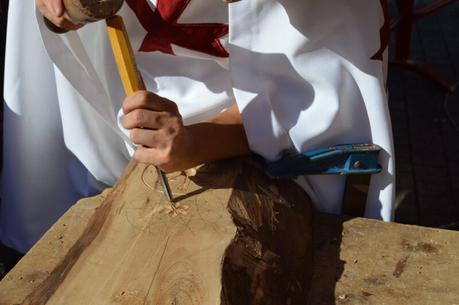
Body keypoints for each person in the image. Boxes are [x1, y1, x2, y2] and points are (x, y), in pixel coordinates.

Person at [1, 0, 395, 254]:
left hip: (249, 146)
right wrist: (61, 13)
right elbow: (60, 25)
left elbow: (321, 105)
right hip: (110, 132)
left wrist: (201, 140)